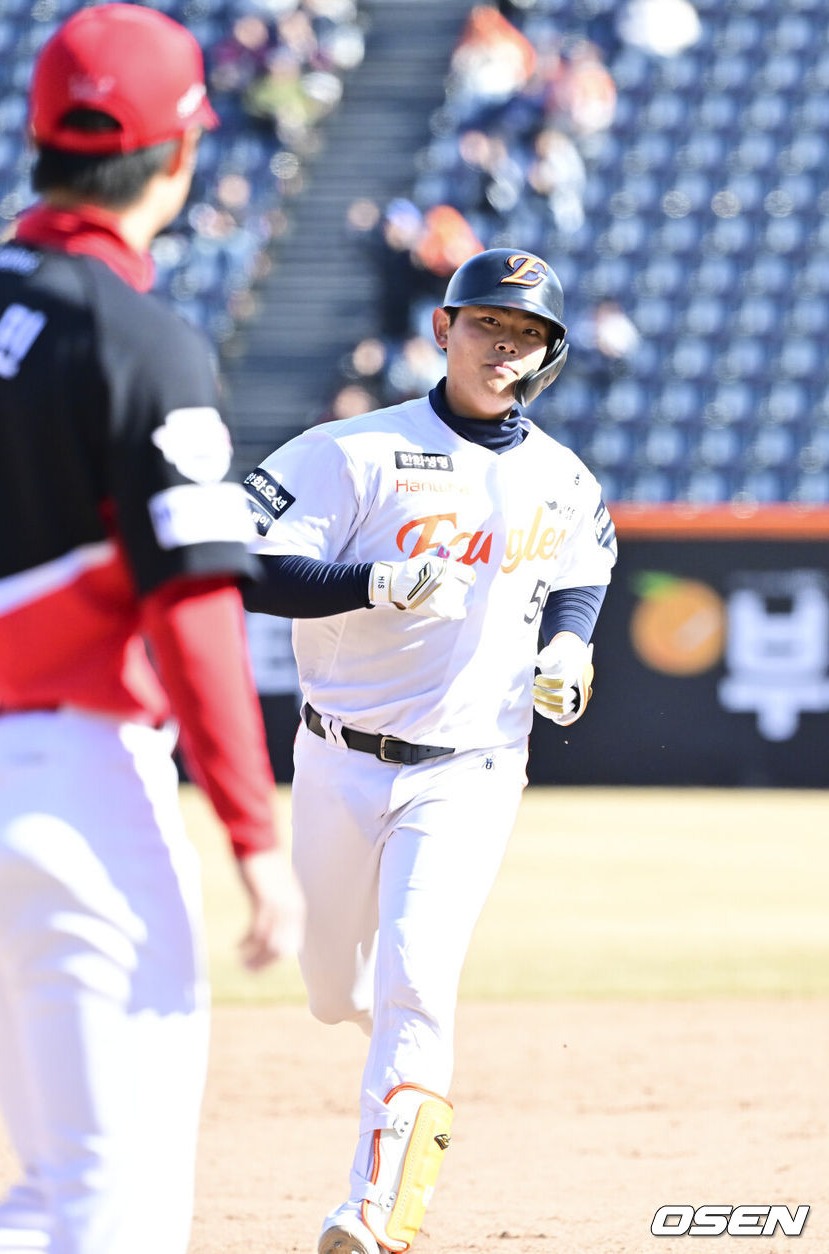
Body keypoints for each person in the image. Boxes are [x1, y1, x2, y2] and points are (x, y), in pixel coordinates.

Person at [0, 6, 302, 1253]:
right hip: (80, 794)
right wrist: (255, 837)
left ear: (39, 140)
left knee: (70, 1194)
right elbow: (194, 602)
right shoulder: (141, 337)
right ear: (181, 156)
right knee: (114, 1210)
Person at [241, 248, 617, 1254]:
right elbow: (240, 563)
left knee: (415, 977)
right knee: (335, 992)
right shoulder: (351, 450)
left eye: (528, 335)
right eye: (490, 325)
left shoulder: (559, 476)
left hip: (473, 766)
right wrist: (372, 582)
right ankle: (401, 1050)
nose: (507, 348)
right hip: (336, 756)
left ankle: (377, 1210)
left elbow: (586, 561)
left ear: (547, 355)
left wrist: (571, 642)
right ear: (443, 329)